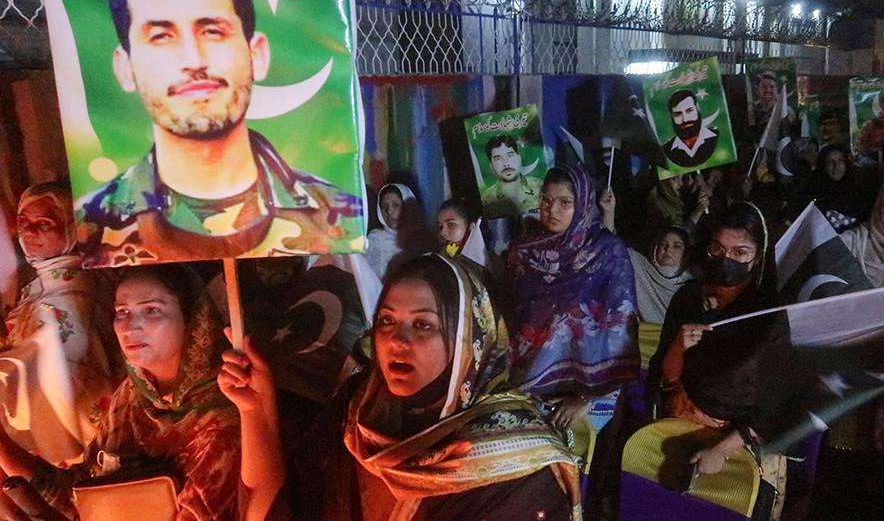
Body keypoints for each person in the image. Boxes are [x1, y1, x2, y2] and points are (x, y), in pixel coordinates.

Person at [220, 254, 582, 520]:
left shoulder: (517, 468)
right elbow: (288, 505)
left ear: (467, 339)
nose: (397, 340)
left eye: (423, 325)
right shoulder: (360, 412)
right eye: (387, 320)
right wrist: (256, 409)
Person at [76, 0, 363, 268]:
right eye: (161, 36)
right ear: (124, 68)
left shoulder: (339, 218)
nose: (193, 60)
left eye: (212, 31)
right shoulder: (94, 226)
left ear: (257, 55)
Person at [0, 263, 241, 520]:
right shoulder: (132, 396)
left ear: (193, 320)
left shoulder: (222, 419)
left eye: (151, 310)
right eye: (122, 312)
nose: (129, 327)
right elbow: (81, 492)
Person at [647, 201, 792, 514]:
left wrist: (722, 449)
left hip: (743, 446)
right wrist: (678, 347)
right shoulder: (688, 298)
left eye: (740, 252)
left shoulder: (771, 316)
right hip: (677, 432)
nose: (727, 259)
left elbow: (776, 403)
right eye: (718, 249)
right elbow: (668, 380)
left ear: (759, 257)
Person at [509, 166, 639, 432]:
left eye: (564, 203)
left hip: (594, 392)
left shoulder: (607, 253)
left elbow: (621, 328)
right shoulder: (524, 251)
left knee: (574, 463)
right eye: (546, 200)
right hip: (528, 385)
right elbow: (511, 314)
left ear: (583, 204)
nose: (552, 209)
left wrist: (585, 398)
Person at [3, 183, 120, 464]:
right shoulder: (39, 285)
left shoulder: (75, 293)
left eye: (44, 223)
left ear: (71, 227)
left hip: (73, 449)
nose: (30, 232)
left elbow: (62, 382)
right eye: (24, 222)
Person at [791, 145, 872, 231]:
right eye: (830, 162)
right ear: (823, 165)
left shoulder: (859, 191)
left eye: (841, 161)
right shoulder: (812, 189)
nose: (836, 166)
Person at [628, 227, 695, 324]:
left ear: (685, 252)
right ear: (655, 247)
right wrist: (609, 214)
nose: (668, 249)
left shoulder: (693, 284)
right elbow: (611, 247)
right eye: (663, 244)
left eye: (676, 246)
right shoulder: (639, 265)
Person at [365, 183, 430, 280]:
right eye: (384, 206)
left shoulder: (423, 241)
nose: (389, 211)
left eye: (395, 205)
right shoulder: (374, 239)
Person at [479, 135, 544, 217]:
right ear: (491, 166)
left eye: (510, 156)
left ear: (519, 159)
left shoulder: (540, 187)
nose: (506, 163)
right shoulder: (486, 199)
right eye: (498, 158)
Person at [661, 90, 719, 168]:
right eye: (678, 114)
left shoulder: (718, 137)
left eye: (689, 111)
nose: (685, 119)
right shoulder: (666, 149)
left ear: (697, 108)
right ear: (672, 117)